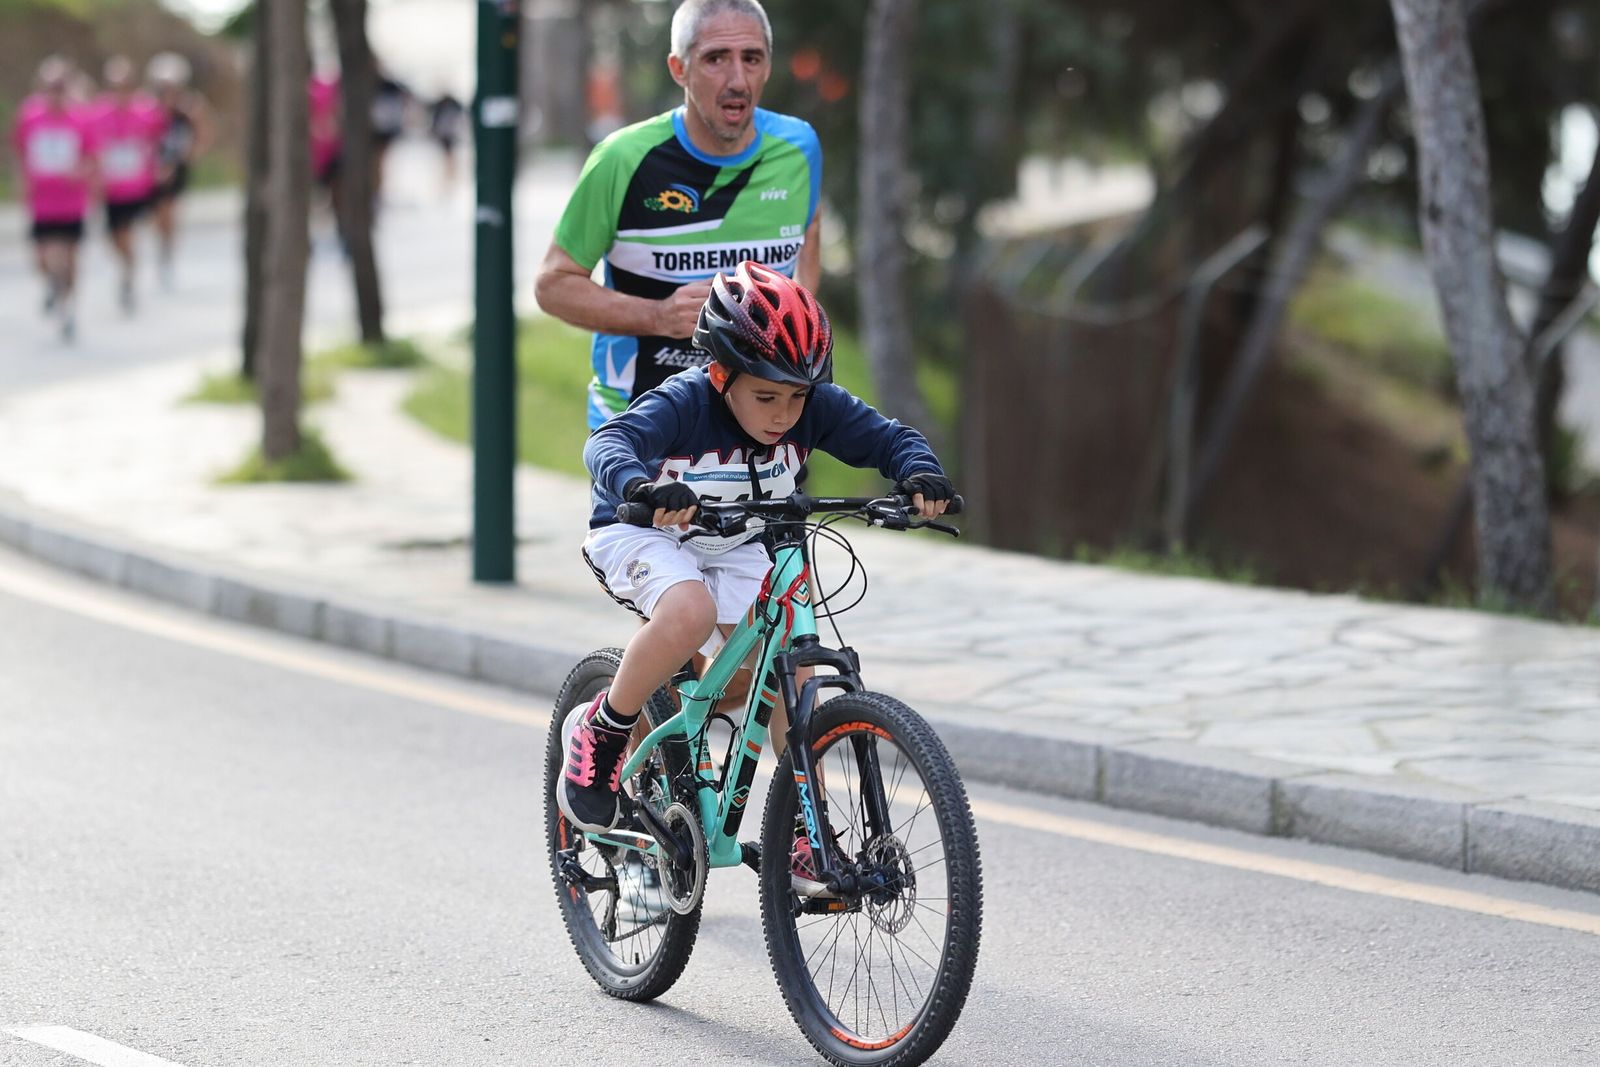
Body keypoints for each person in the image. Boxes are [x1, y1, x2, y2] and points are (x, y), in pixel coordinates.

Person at [558, 263, 955, 884]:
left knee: (783, 668)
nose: (784, 415)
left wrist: (919, 473)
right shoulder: (685, 401)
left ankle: (807, 830)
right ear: (721, 375)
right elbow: (607, 444)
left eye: (797, 398)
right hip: (647, 528)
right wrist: (642, 487)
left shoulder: (809, 406)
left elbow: (889, 439)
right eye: (766, 397)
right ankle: (602, 733)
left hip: (739, 538)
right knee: (687, 614)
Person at [535, 0, 824, 432]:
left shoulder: (799, 148)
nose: (737, 80)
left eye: (752, 58)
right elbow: (552, 286)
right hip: (640, 428)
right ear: (679, 69)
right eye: (715, 59)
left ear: (768, 66)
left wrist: (792, 330)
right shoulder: (623, 159)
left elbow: (809, 231)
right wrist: (657, 316)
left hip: (764, 434)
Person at [11, 56, 96, 341]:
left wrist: (80, 171)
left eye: (60, 86)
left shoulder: (81, 118)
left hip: (72, 202)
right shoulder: (29, 116)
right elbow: (19, 152)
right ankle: (51, 285)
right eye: (50, 86)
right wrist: (20, 181)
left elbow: (93, 158)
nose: (55, 92)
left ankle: (67, 308)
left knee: (70, 259)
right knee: (42, 258)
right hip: (42, 201)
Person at [91, 55, 166, 314]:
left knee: (127, 232)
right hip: (111, 188)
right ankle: (127, 267)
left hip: (138, 187)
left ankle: (128, 277)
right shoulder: (99, 113)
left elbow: (160, 141)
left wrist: (159, 167)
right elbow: (92, 148)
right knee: (113, 237)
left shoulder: (147, 112)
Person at [146, 52, 214, 288]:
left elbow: (202, 136)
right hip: (153, 169)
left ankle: (166, 253)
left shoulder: (189, 108)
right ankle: (163, 247)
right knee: (157, 214)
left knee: (169, 211)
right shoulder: (150, 107)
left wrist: (187, 158)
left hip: (176, 167)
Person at [427, 90, 465, 193]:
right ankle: (448, 176)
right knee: (446, 156)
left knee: (449, 156)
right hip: (444, 135)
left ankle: (451, 176)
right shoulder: (441, 105)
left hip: (448, 135)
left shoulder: (452, 104)